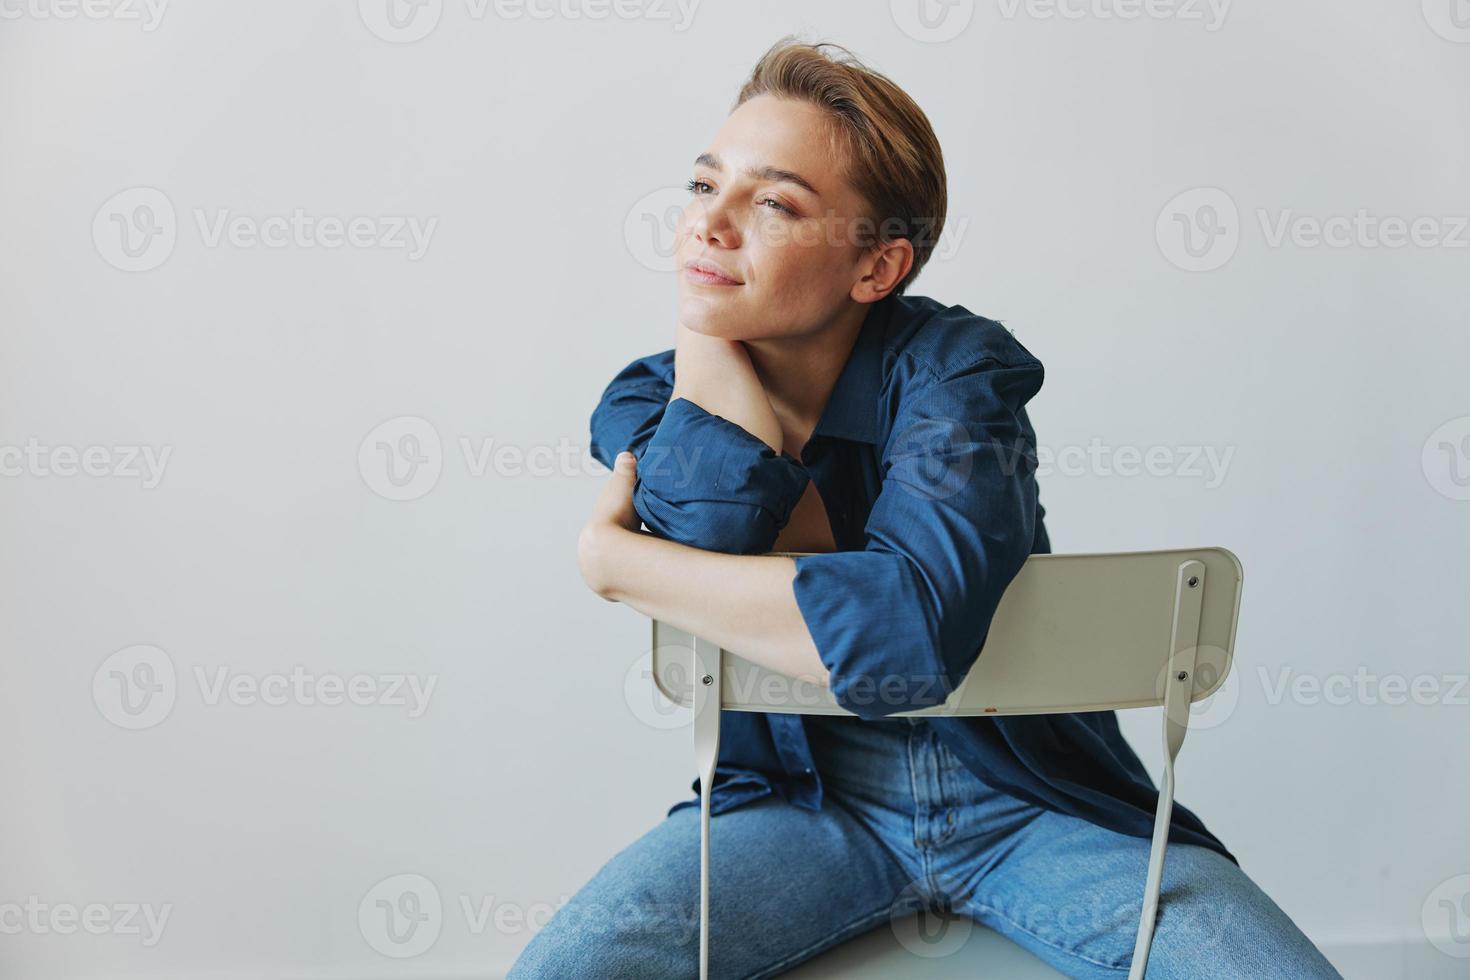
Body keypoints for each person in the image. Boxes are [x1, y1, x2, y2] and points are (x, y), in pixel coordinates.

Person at [509, 37, 1341, 979]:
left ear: (877, 268)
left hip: (1032, 802)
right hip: (798, 804)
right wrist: (704, 335)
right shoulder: (642, 401)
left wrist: (614, 564)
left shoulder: (959, 373)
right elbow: (714, 527)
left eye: (774, 203)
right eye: (704, 188)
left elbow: (908, 644)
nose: (711, 224)